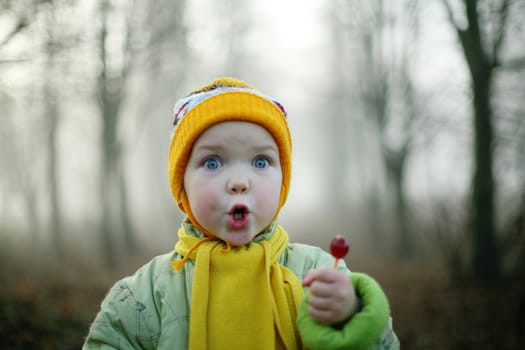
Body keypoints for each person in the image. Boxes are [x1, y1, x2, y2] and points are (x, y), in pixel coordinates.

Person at [83, 77, 399, 349]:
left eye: (260, 162)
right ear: (182, 184)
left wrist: (351, 317)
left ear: (283, 180)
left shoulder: (318, 276)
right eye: (212, 162)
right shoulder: (143, 296)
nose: (238, 182)